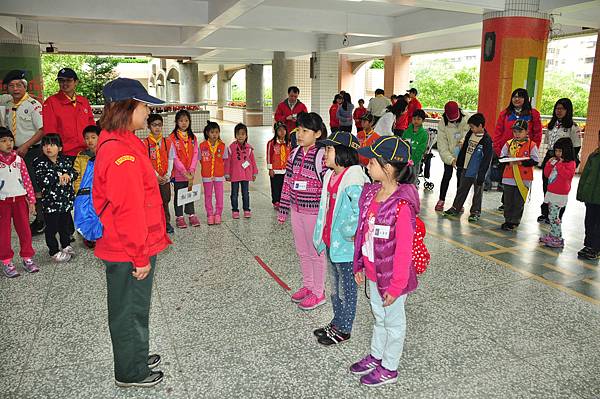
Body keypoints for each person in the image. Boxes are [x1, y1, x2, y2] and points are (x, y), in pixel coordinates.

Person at [93, 77, 170, 388]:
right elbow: (129, 210)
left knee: (135, 306)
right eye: (143, 105)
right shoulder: (119, 153)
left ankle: (135, 354)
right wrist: (139, 256)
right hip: (128, 248)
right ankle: (130, 371)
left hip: (134, 242)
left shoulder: (125, 140)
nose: (147, 110)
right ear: (126, 108)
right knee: (129, 310)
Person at [351, 136, 420, 387]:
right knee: (378, 317)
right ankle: (376, 355)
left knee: (393, 323)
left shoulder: (401, 206)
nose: (367, 165)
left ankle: (389, 366)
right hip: (372, 270)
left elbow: (403, 251)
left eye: (372, 161)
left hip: (392, 278)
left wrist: (397, 285)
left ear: (388, 168)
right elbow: (363, 232)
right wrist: (358, 263)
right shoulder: (372, 194)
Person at [312, 131, 369, 345]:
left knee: (347, 288)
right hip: (331, 242)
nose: (324, 153)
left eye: (329, 149)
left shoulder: (354, 178)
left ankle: (345, 328)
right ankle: (337, 320)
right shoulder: (331, 174)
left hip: (345, 245)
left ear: (343, 153)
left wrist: (347, 231)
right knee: (335, 287)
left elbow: (359, 210)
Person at [278, 112, 327, 311]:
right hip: (296, 211)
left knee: (316, 253)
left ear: (317, 133)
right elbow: (287, 182)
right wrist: (283, 209)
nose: (300, 134)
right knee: (302, 252)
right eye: (298, 129)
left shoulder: (322, 156)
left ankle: (319, 292)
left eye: (305, 131)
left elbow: (327, 186)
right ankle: (308, 285)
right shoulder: (294, 153)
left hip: (314, 212)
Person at [1, 70, 45, 235]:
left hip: (31, 151)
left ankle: (41, 220)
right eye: (11, 86)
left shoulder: (33, 105)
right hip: (11, 153)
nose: (15, 88)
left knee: (35, 186)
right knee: (19, 187)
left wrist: (25, 146)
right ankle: (23, 218)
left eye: (19, 85)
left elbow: (42, 129)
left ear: (25, 87)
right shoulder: (6, 105)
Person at [493, 88, 542, 211]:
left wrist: (532, 149)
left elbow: (537, 133)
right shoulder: (505, 113)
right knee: (507, 178)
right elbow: (498, 132)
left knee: (520, 179)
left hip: (524, 155)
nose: (516, 99)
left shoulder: (533, 114)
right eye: (514, 96)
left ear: (525, 99)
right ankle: (506, 202)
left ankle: (518, 204)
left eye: (520, 96)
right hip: (507, 153)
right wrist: (499, 151)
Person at [0, 127, 39, 277]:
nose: (8, 144)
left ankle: (27, 258)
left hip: (20, 200)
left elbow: (26, 179)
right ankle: (7, 261)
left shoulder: (18, 160)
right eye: (3, 141)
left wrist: (31, 200)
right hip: (3, 202)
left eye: (10, 140)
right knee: (4, 233)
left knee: (25, 230)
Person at [34, 133, 77, 262]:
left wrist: (68, 175)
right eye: (45, 145)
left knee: (64, 225)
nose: (48, 148)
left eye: (52, 145)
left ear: (60, 148)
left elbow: (74, 173)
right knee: (51, 228)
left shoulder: (65, 161)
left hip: (64, 201)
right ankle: (53, 251)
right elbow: (42, 180)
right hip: (50, 204)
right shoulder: (39, 162)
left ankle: (66, 245)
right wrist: (58, 176)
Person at [538, 98, 582, 223]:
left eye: (562, 109)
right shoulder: (552, 125)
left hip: (565, 160)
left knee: (560, 188)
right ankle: (546, 213)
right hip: (551, 157)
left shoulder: (573, 127)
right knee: (547, 185)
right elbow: (548, 143)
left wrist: (566, 161)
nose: (559, 111)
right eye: (557, 108)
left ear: (568, 110)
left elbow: (576, 147)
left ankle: (557, 215)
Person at [443, 113, 493, 222]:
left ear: (480, 126)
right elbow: (465, 148)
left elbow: (487, 160)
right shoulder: (470, 134)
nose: (471, 129)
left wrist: (482, 175)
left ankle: (475, 212)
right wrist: (460, 163)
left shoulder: (487, 140)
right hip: (466, 168)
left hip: (478, 171)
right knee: (462, 189)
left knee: (477, 192)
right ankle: (455, 208)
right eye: (470, 127)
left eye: (473, 127)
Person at [42, 68, 95, 159]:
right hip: (64, 154)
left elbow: (91, 126)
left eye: (68, 80)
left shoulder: (83, 101)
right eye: (61, 81)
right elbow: (50, 130)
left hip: (86, 152)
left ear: (76, 82)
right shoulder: (51, 102)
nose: (65, 84)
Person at [499, 120, 539, 231]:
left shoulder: (531, 145)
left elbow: (535, 161)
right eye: (515, 131)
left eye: (520, 131)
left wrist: (521, 162)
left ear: (526, 132)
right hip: (509, 177)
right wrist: (508, 161)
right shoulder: (509, 143)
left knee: (519, 201)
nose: (517, 134)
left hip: (524, 179)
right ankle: (507, 220)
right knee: (508, 201)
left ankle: (515, 221)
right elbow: (502, 158)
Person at [539, 138, 576, 248]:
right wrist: (549, 164)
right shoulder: (555, 160)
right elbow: (546, 174)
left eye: (560, 151)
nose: (557, 153)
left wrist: (559, 165)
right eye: (556, 151)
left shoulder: (571, 163)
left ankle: (557, 238)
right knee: (551, 215)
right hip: (551, 192)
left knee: (554, 217)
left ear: (567, 151)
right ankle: (553, 235)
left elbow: (567, 175)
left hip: (560, 195)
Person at [434, 101, 470, 211]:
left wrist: (463, 142)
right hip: (449, 153)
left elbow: (468, 134)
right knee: (446, 176)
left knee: (460, 178)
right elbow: (442, 145)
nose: (453, 120)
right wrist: (450, 159)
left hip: (463, 153)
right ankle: (441, 199)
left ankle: (459, 203)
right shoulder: (442, 123)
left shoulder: (466, 119)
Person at [143, 114, 174, 234]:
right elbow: (146, 161)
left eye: (159, 125)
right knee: (154, 203)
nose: (157, 128)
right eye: (154, 125)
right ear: (149, 127)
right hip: (153, 179)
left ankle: (167, 223)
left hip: (165, 178)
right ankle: (156, 223)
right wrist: (156, 176)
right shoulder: (145, 143)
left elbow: (171, 158)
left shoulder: (167, 142)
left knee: (165, 201)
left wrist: (168, 174)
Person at [169, 110, 200, 228]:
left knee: (189, 193)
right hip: (178, 173)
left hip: (190, 173)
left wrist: (192, 169)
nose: (184, 123)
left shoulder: (193, 137)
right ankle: (179, 216)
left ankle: (191, 214)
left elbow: (196, 153)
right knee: (179, 194)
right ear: (176, 122)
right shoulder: (172, 138)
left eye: (186, 120)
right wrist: (183, 171)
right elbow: (174, 157)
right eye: (181, 120)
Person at [73, 124, 101, 248]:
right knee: (85, 213)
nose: (90, 140)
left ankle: (99, 236)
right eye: (87, 138)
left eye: (93, 137)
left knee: (99, 214)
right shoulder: (81, 157)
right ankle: (88, 236)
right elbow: (77, 175)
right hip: (85, 192)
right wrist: (78, 191)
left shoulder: (103, 154)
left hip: (99, 191)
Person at [225, 123, 258, 219]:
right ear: (235, 135)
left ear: (246, 135)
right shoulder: (231, 148)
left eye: (243, 134)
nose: (240, 136)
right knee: (234, 194)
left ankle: (246, 209)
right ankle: (235, 210)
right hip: (234, 175)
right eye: (238, 134)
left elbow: (252, 161)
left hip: (246, 175)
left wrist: (254, 172)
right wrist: (227, 174)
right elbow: (227, 162)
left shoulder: (249, 148)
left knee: (246, 193)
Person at [576, 130, 600, 260]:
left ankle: (596, 248)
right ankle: (588, 244)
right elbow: (585, 176)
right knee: (589, 221)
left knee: (598, 224)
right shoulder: (594, 156)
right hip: (591, 197)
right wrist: (581, 193)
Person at [199, 121, 227, 225]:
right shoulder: (202, 146)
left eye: (216, 132)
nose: (214, 134)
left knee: (219, 195)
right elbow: (200, 159)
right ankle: (210, 214)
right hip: (206, 175)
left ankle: (218, 214)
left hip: (219, 175)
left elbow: (224, 160)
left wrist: (220, 169)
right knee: (208, 195)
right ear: (207, 133)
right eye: (212, 132)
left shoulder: (223, 146)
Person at [267, 121, 290, 209]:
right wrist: (270, 169)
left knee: (284, 186)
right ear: (276, 131)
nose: (282, 132)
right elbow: (269, 155)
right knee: (275, 186)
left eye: (284, 130)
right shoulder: (271, 143)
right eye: (279, 130)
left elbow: (291, 155)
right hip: (275, 169)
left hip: (286, 169)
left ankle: (284, 200)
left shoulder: (289, 143)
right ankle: (276, 201)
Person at [402, 109, 429, 177]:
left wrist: (413, 160)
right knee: (403, 177)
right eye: (414, 119)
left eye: (418, 119)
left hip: (416, 161)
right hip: (404, 160)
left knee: (413, 178)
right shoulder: (406, 131)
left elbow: (421, 149)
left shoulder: (424, 134)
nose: (416, 121)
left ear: (423, 120)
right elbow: (402, 144)